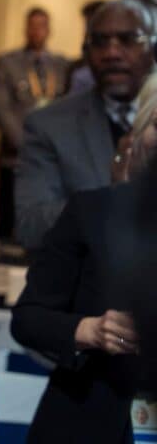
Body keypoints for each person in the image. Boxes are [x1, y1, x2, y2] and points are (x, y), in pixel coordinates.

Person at [10, 72, 157, 443]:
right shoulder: (91, 212)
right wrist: (89, 330)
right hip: (85, 414)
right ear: (140, 136)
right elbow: (29, 318)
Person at [15, 0, 156, 252]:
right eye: (99, 42)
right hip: (85, 284)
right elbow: (31, 226)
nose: (112, 53)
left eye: (128, 40)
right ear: (85, 53)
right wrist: (113, 200)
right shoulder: (48, 125)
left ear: (154, 50)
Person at [0, 7, 69, 240]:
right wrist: (26, 144)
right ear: (26, 28)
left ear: (49, 30)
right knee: (8, 214)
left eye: (42, 26)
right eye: (32, 26)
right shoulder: (8, 62)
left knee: (46, 216)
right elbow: (1, 107)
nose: (37, 31)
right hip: (16, 153)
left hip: (52, 156)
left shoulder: (61, 64)